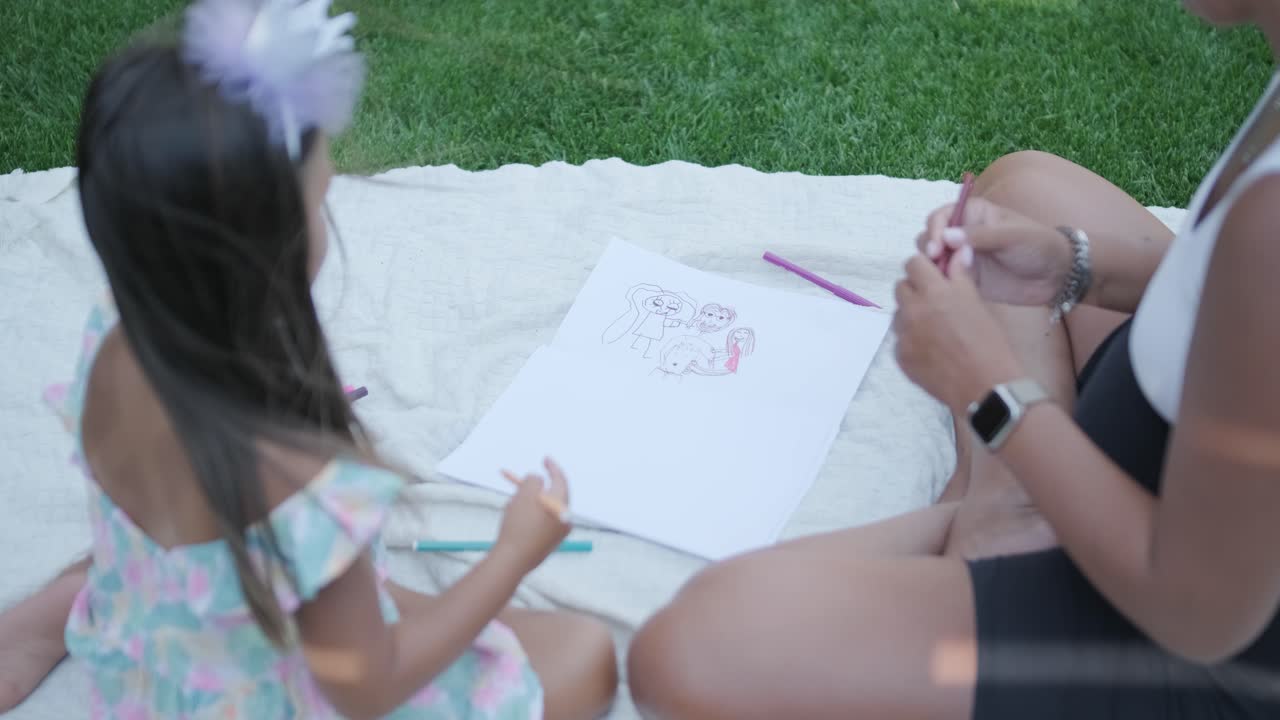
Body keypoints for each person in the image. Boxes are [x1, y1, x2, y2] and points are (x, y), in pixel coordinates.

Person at [627, 0, 1280, 717]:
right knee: (1030, 187)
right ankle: (1010, 513)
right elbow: (1217, 294)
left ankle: (1012, 523)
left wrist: (989, 392)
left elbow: (1200, 612)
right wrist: (1070, 264)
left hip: (1190, 638)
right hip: (1177, 457)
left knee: (696, 648)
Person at [0, 1, 617, 717]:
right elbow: (364, 685)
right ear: (267, 253)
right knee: (584, 655)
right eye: (321, 199)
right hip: (268, 695)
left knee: (388, 602)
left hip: (156, 657)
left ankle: (62, 607)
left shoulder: (115, 331)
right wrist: (513, 553)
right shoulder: (307, 485)